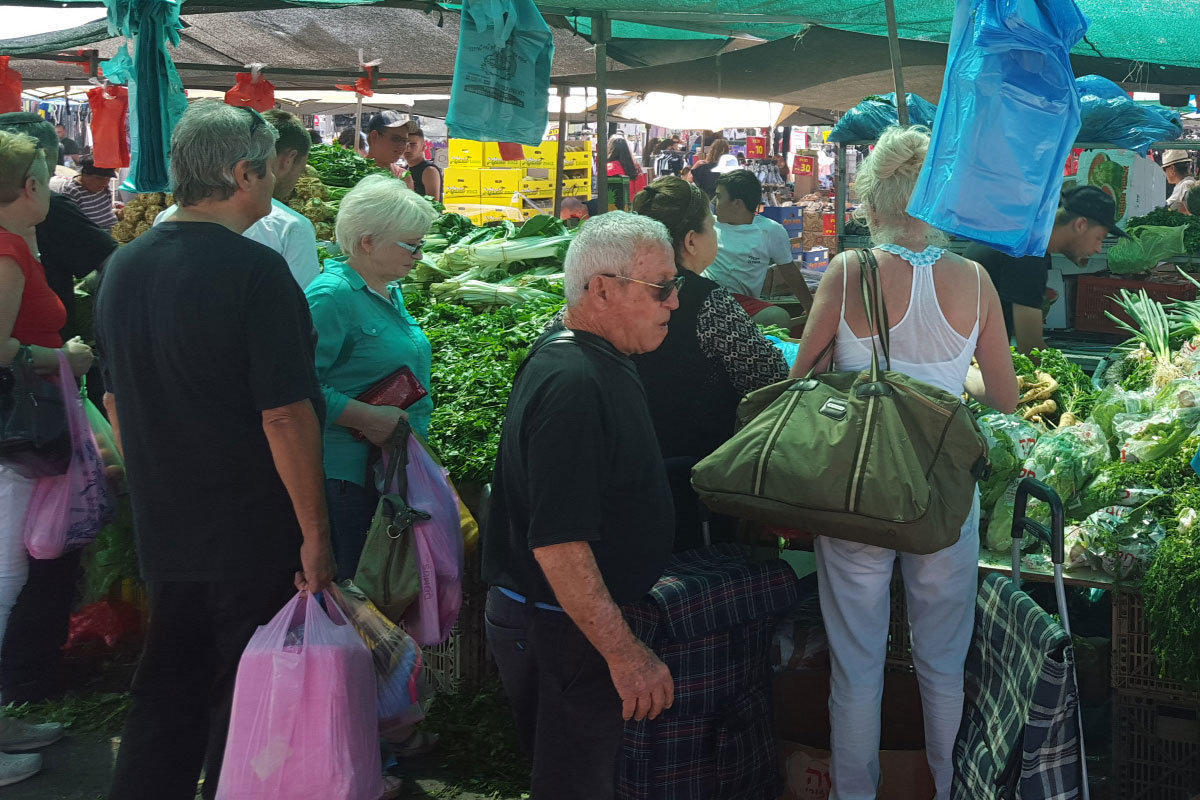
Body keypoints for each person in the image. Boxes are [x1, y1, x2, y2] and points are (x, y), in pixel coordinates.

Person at [95, 101, 335, 800]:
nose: (277, 184)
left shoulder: (123, 269)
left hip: (167, 523)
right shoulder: (256, 273)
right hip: (249, 527)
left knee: (166, 687)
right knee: (246, 697)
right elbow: (286, 416)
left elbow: (115, 400)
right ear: (242, 174)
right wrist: (316, 534)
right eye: (269, 170)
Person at [789, 125, 1018, 800]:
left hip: (858, 486)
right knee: (943, 664)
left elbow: (805, 375)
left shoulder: (848, 271)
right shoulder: (976, 281)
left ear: (872, 200)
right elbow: (1002, 396)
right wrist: (957, 378)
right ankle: (950, 790)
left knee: (856, 664)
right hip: (944, 494)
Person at [483, 212, 678, 799]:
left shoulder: (591, 359)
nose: (672, 302)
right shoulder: (575, 381)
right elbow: (559, 542)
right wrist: (625, 654)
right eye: (662, 287)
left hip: (562, 622)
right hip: (557, 626)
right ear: (601, 289)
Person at [0, 113, 116, 709]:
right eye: (45, 179)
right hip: (15, 437)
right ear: (27, 187)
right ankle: (11, 699)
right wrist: (61, 356)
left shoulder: (19, 246)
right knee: (13, 568)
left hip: (28, 431)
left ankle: (18, 696)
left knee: (24, 560)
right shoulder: (7, 251)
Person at [630, 177, 788, 550]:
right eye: (711, 226)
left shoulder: (619, 288)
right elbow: (770, 380)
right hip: (698, 481)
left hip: (627, 469)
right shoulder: (707, 301)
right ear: (690, 241)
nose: (716, 233)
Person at [306, 174, 437, 581]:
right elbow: (297, 388)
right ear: (367, 241)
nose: (419, 255)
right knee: (357, 592)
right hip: (347, 479)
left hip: (386, 470)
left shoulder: (386, 288)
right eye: (411, 245)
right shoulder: (330, 297)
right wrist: (366, 417)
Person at [156, 109, 321, 289]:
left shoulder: (134, 254)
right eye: (268, 168)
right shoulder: (265, 265)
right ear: (245, 175)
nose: (272, 179)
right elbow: (304, 309)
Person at [964, 186, 1127, 354]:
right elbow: (1030, 347)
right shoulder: (1028, 254)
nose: (1099, 249)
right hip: (962, 360)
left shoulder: (1025, 238)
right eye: (1099, 238)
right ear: (1080, 225)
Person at [704, 168, 803, 329]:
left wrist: (811, 308)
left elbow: (790, 272)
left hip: (742, 303)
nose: (714, 201)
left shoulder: (770, 231)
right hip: (706, 295)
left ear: (737, 204)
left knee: (778, 317)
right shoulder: (707, 224)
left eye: (720, 196)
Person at [54, 156, 118, 231]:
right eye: (99, 178)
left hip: (113, 231)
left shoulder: (104, 188)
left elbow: (108, 213)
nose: (105, 183)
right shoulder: (72, 191)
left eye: (108, 179)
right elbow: (71, 224)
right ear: (85, 175)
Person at [366, 111, 413, 178]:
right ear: (374, 137)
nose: (402, 146)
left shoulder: (403, 177)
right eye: (396, 139)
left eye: (405, 141)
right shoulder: (352, 174)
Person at [403, 126, 442, 201]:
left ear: (423, 147)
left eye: (413, 145)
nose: (407, 149)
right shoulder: (405, 169)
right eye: (405, 144)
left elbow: (433, 205)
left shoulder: (429, 170)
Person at [606, 136, 647, 206]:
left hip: (615, 208)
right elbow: (642, 190)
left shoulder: (609, 167)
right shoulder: (636, 167)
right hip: (634, 207)